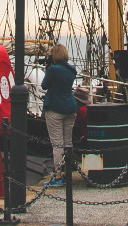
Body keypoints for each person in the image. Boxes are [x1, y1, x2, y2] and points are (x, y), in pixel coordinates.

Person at [41, 44, 79, 185]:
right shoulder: (72, 69)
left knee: (57, 144)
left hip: (55, 108)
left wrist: (47, 69)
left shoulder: (53, 69)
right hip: (70, 107)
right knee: (67, 143)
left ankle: (57, 176)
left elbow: (45, 85)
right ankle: (67, 172)